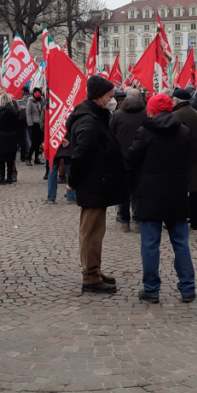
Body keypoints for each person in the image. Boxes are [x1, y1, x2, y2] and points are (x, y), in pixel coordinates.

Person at [126, 93, 196, 304]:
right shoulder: (184, 131)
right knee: (181, 242)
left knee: (150, 244)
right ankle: (187, 288)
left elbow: (131, 158)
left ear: (152, 110)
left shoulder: (145, 132)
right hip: (176, 192)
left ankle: (151, 289)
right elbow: (189, 158)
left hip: (150, 193)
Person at [66, 76, 127, 294]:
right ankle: (90, 277)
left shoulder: (96, 116)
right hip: (93, 184)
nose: (113, 100)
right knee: (91, 232)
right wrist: (72, 181)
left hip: (98, 182)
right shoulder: (89, 120)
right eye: (110, 97)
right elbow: (81, 154)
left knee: (95, 231)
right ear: (99, 97)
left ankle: (95, 270)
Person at [109, 87, 148, 232]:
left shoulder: (117, 115)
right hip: (141, 159)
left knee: (124, 192)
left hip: (123, 159)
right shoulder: (146, 114)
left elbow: (111, 136)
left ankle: (125, 221)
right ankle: (138, 220)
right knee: (139, 191)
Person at [171, 88, 197, 230]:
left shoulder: (176, 115)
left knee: (179, 189)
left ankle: (180, 218)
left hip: (182, 156)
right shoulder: (196, 113)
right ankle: (195, 219)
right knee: (195, 189)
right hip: (196, 155)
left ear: (176, 101)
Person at [0, 92, 20, 184]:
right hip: (12, 136)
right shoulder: (14, 111)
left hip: (0, 137)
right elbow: (18, 125)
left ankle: (2, 178)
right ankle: (9, 177)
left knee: (0, 158)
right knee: (10, 158)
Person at [25, 87, 46, 165]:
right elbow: (28, 113)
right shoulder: (30, 101)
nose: (37, 93)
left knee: (38, 143)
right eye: (36, 92)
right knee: (34, 142)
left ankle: (36, 158)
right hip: (33, 124)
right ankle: (28, 158)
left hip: (40, 124)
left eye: (39, 92)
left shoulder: (41, 101)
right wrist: (30, 124)